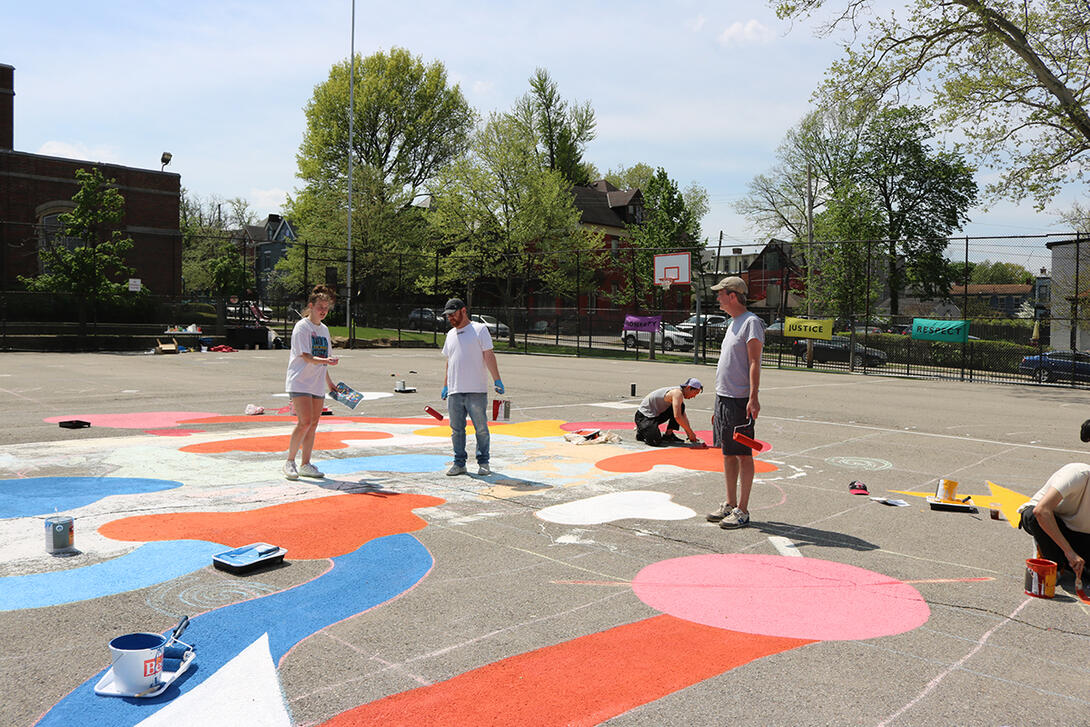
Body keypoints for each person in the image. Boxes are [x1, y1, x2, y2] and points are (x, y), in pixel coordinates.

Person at [706, 276, 764, 530]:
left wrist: (753, 397)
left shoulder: (751, 322)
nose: (717, 297)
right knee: (728, 453)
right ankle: (730, 504)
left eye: (721, 293)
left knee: (743, 454)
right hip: (724, 398)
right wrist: (717, 404)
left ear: (733, 296)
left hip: (740, 399)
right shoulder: (733, 323)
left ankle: (743, 509)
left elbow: (754, 361)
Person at [441, 298, 504, 476]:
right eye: (448, 316)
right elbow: (450, 361)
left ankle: (483, 462)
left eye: (453, 314)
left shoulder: (479, 329)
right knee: (456, 430)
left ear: (463, 311)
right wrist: (446, 385)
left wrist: (497, 379)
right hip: (455, 390)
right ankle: (459, 463)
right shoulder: (450, 335)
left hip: (476, 389)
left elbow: (489, 355)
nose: (450, 318)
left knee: (481, 429)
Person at [283, 285, 338, 480]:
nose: (323, 310)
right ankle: (290, 461)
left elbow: (324, 359)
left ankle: (306, 463)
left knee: (313, 424)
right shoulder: (302, 327)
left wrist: (330, 383)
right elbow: (306, 356)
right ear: (311, 306)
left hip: (316, 383)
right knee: (304, 421)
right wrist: (326, 361)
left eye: (326, 307)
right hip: (300, 381)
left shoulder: (324, 330)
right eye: (320, 307)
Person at [1018, 463, 1090, 579]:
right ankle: (1052, 557)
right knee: (1033, 516)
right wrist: (1069, 552)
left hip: (1078, 532)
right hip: (1050, 521)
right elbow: (1041, 510)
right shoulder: (1078, 474)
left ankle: (1064, 560)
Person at [634, 378, 704, 446]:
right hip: (644, 416)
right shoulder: (677, 393)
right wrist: (691, 433)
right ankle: (641, 430)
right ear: (689, 388)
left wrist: (689, 434)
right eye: (695, 393)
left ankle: (668, 435)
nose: (694, 396)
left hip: (655, 415)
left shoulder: (680, 393)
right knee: (655, 441)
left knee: (681, 407)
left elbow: (683, 416)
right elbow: (678, 417)